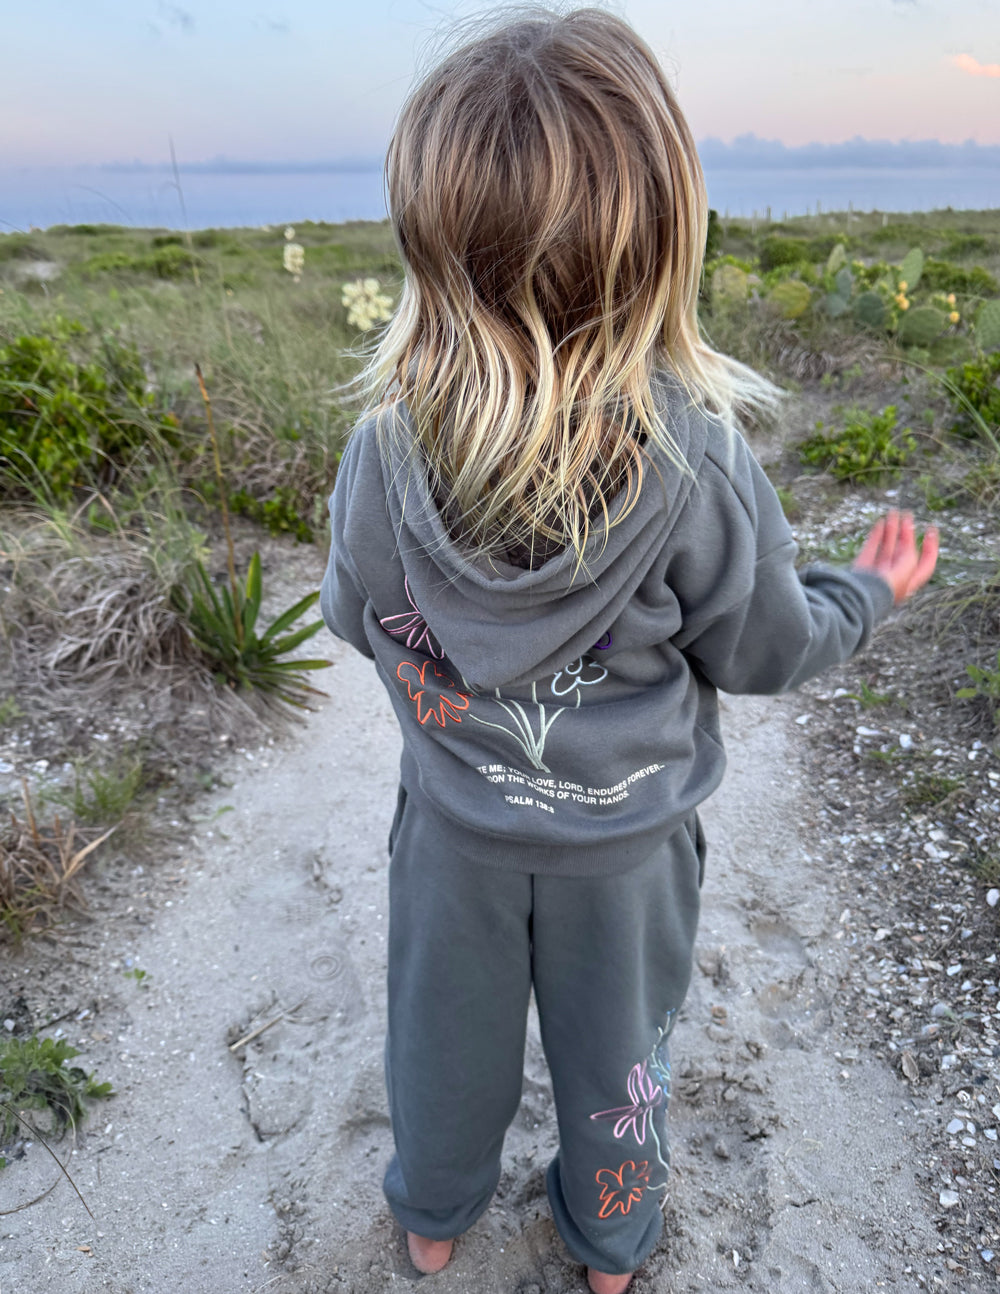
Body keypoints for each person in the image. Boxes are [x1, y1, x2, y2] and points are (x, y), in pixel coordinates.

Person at [319, 10, 938, 1292]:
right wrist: (865, 591)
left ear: (428, 242)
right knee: (620, 1062)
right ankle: (609, 1243)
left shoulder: (382, 448)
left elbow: (350, 616)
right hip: (628, 850)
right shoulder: (695, 456)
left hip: (452, 840)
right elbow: (765, 648)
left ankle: (432, 1219)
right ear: (663, 234)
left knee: (442, 1045)